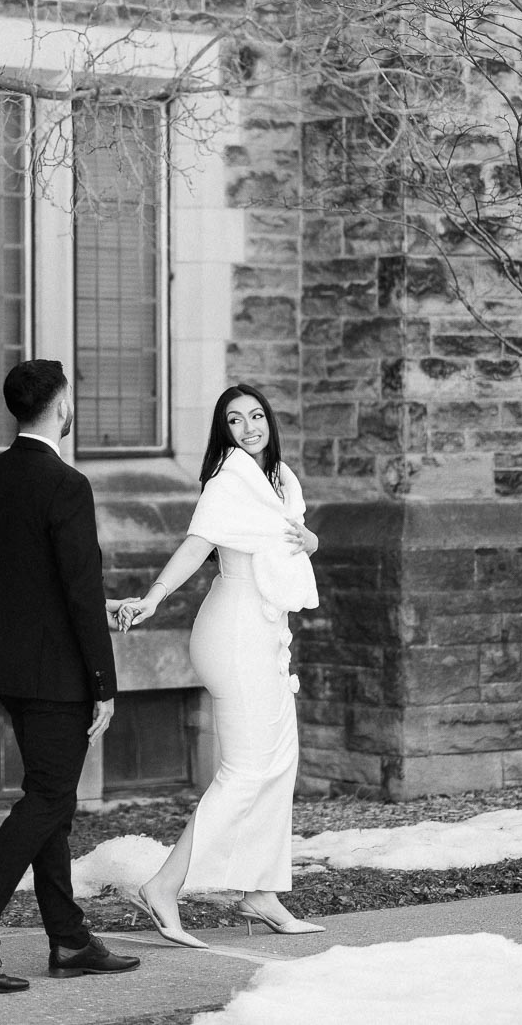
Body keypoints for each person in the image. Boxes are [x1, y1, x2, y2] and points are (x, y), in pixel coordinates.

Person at [0, 359, 140, 992]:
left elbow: (34, 577)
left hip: (17, 663)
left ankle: (70, 940)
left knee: (53, 801)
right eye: (71, 397)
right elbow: (77, 588)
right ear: (59, 406)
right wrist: (104, 681)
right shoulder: (66, 483)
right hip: (57, 674)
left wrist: (89, 612)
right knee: (48, 799)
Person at [117, 384, 324, 947]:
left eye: (256, 415)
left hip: (266, 631)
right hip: (233, 632)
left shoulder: (281, 479)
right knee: (245, 769)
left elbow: (286, 540)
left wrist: (309, 540)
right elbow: (196, 543)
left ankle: (259, 892)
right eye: (235, 420)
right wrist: (154, 597)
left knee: (281, 760)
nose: (249, 426)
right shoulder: (228, 481)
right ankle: (162, 885)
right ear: (224, 431)